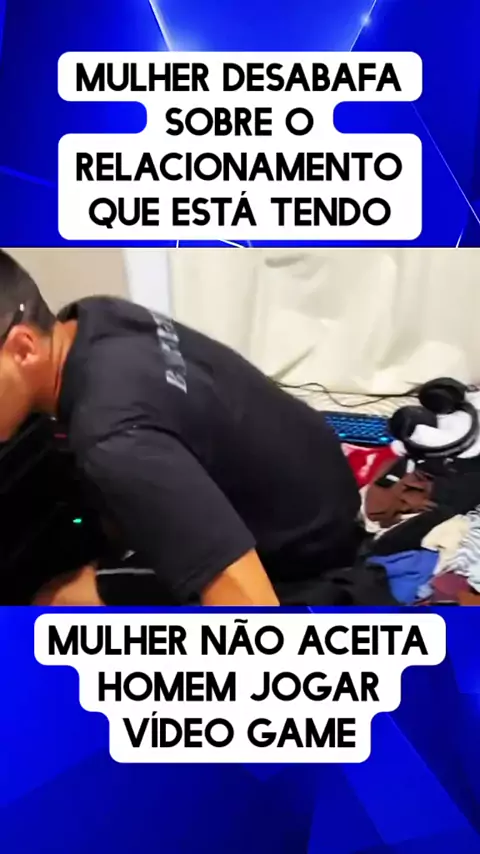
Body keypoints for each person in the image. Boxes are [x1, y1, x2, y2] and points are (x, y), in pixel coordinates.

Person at [0, 251, 384, 607]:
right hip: (324, 490)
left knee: (55, 601)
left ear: (25, 347)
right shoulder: (97, 317)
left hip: (305, 557)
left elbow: (253, 608)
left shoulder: (112, 435)